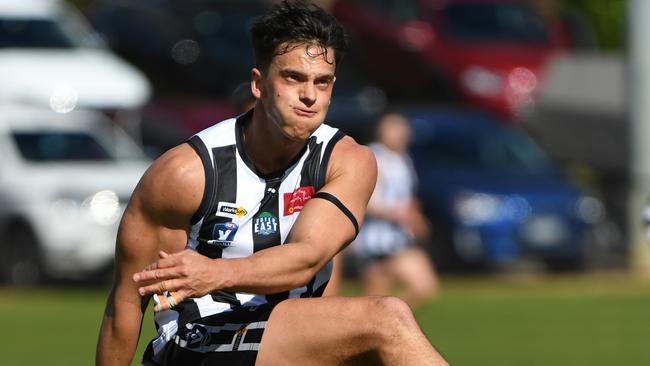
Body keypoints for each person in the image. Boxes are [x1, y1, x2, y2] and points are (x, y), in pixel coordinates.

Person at [96, 2, 449, 365]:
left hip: (291, 339)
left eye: (322, 82)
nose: (310, 95)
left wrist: (214, 273)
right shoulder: (187, 173)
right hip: (199, 343)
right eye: (293, 78)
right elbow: (126, 300)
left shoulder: (348, 160)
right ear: (259, 84)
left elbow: (307, 258)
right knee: (387, 319)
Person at [352, 112, 439, 308]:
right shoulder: (374, 157)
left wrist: (414, 215)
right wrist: (400, 214)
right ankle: (379, 327)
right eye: (394, 129)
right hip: (375, 243)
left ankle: (388, 323)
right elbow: (365, 201)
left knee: (424, 287)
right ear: (381, 131)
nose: (401, 134)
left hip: (399, 240)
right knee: (374, 302)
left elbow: (403, 198)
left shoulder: (403, 160)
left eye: (403, 129)